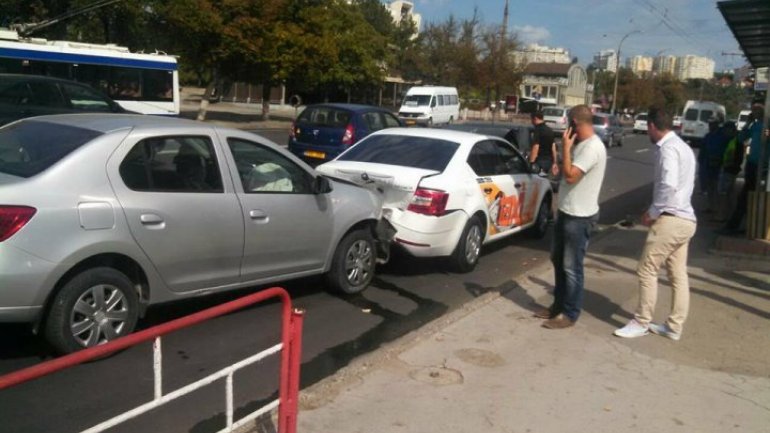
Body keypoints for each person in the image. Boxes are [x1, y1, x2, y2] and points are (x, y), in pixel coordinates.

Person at [614, 107, 697, 341]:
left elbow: (668, 185)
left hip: (670, 219)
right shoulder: (684, 147)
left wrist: (652, 212)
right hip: (686, 219)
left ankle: (641, 321)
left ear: (651, 125)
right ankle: (674, 326)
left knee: (647, 269)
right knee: (678, 274)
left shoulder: (668, 149)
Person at [535, 105, 607, 329]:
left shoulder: (592, 148)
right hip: (566, 211)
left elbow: (572, 176)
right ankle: (558, 305)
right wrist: (562, 162)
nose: (565, 126)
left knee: (571, 266)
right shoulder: (582, 145)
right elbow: (567, 173)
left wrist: (565, 148)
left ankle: (570, 313)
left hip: (579, 217)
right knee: (557, 261)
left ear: (575, 123)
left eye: (568, 122)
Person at [722, 103, 765, 234]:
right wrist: (748, 123)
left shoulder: (766, 126)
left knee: (751, 196)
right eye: (753, 110)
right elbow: (741, 138)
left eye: (757, 110)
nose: (755, 112)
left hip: (762, 166)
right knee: (745, 196)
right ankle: (738, 224)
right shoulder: (756, 125)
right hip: (752, 164)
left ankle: (743, 225)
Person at [700, 118, 728, 213]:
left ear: (716, 124)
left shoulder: (722, 136)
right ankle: (711, 206)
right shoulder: (708, 136)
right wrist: (701, 161)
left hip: (718, 165)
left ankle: (717, 208)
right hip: (708, 164)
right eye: (709, 124)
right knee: (709, 187)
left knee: (717, 188)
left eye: (712, 124)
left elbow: (724, 150)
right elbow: (703, 150)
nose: (710, 126)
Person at [716, 122, 740, 222]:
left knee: (723, 193)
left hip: (728, 170)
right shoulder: (734, 140)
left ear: (731, 130)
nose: (725, 132)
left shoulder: (734, 141)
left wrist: (726, 164)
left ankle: (722, 216)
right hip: (730, 170)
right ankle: (728, 215)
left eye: (726, 130)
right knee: (729, 193)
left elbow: (732, 156)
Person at [528, 110, 557, 175]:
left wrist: (531, 163)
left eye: (531, 119)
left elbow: (536, 147)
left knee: (536, 181)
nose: (531, 122)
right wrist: (555, 162)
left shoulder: (538, 130)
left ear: (535, 118)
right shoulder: (550, 130)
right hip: (548, 161)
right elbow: (553, 147)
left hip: (539, 161)